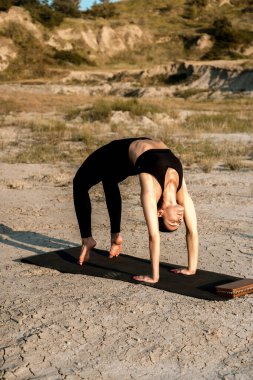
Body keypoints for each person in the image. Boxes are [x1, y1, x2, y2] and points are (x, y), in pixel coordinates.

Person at [73, 137, 198, 283]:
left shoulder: (151, 191)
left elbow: (153, 236)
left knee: (80, 182)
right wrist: (191, 268)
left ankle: (87, 239)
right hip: (132, 152)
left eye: (172, 223)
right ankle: (115, 237)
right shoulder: (180, 191)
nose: (179, 220)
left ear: (160, 212)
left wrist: (154, 276)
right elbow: (193, 231)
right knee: (109, 179)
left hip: (117, 152)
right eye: (178, 223)